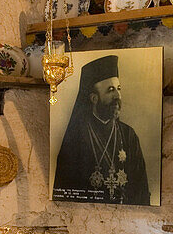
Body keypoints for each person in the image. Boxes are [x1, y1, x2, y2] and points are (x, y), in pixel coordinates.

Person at [53, 54, 151, 205]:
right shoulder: (76, 136)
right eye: (110, 90)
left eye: (119, 89)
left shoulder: (128, 135)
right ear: (94, 98)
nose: (117, 96)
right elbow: (65, 192)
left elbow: (141, 189)